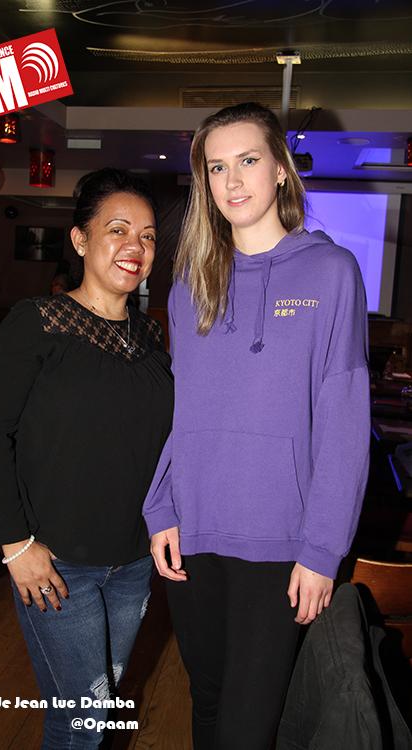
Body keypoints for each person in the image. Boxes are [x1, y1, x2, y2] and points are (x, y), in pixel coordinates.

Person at [143, 102, 370, 749]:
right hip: (193, 534)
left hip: (281, 542)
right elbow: (185, 411)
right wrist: (161, 506)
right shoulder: (190, 283)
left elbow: (345, 420)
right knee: (209, 702)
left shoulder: (332, 273)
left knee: (249, 727)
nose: (233, 180)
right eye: (217, 167)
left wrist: (322, 549)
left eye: (247, 160)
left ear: (280, 170)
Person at [0, 168, 174, 749]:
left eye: (148, 235)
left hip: (133, 561)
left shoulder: (152, 338)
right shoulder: (37, 323)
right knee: (81, 722)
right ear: (81, 240)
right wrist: (15, 546)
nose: (135, 246)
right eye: (118, 230)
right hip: (58, 566)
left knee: (99, 712)